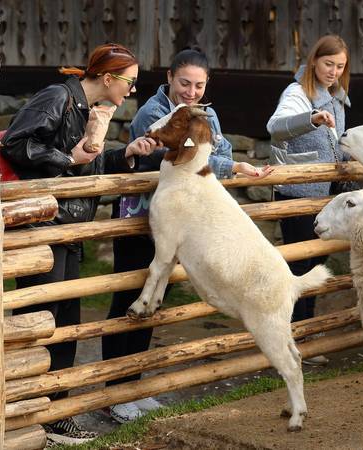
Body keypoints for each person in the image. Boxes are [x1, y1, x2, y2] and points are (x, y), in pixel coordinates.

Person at [0, 43, 159, 446]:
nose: (132, 91)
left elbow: (84, 164)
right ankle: (21, 410)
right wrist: (66, 159)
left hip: (68, 228)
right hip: (43, 226)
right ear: (108, 79)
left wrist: (126, 153)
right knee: (40, 319)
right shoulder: (58, 97)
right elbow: (17, 144)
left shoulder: (90, 110)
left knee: (66, 323)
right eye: (130, 83)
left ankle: (55, 415)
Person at [103, 48, 273, 424]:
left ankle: (135, 386)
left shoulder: (205, 112)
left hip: (177, 216)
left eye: (198, 85)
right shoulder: (156, 113)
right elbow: (193, 156)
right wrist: (234, 165)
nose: (191, 92)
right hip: (143, 213)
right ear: (169, 78)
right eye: (185, 83)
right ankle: (114, 392)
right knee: (130, 295)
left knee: (152, 300)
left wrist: (226, 159)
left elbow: (217, 149)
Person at [266, 34, 352, 366]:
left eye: (340, 66)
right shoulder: (297, 93)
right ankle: (294, 338)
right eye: (328, 64)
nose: (333, 71)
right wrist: (311, 118)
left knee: (315, 263)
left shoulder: (336, 96)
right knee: (299, 264)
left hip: (324, 195)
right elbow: (275, 126)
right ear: (314, 61)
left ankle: (307, 333)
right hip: (297, 194)